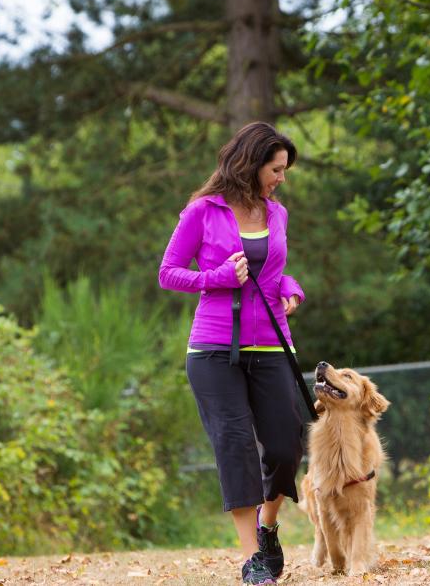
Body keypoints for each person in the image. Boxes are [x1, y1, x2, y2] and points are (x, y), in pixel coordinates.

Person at [158, 122, 305, 585]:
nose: (280, 177)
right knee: (236, 446)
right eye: (276, 169)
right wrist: (214, 277)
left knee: (286, 444)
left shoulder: (275, 213)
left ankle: (268, 527)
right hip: (213, 349)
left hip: (271, 344)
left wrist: (292, 289)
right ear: (252, 163)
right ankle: (252, 561)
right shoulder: (202, 211)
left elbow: (275, 272)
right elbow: (168, 272)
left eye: (283, 170)